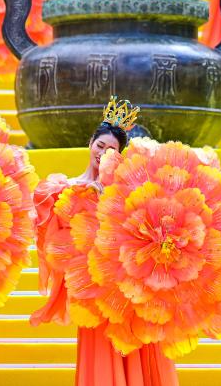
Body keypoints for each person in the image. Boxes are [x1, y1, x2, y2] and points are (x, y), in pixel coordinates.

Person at [32, 97, 179, 386]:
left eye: (111, 150)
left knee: (133, 345)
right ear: (90, 143)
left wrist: (108, 200)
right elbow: (54, 235)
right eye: (100, 146)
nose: (103, 154)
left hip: (123, 283)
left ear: (119, 156)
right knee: (98, 345)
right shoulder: (67, 188)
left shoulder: (126, 191)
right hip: (90, 285)